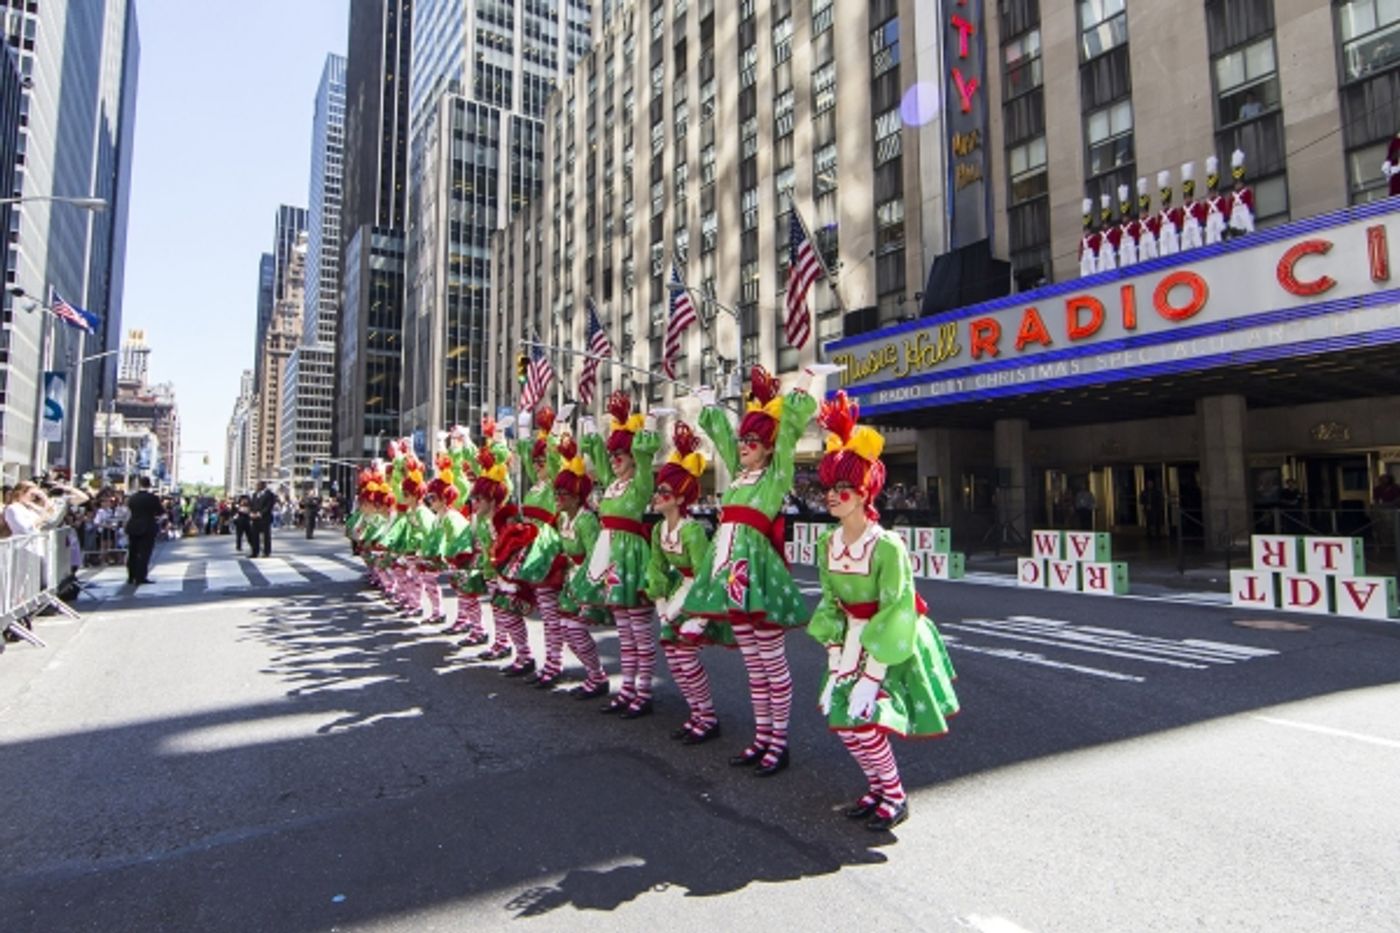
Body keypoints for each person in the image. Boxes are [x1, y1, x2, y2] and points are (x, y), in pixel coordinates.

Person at [808, 391, 959, 832]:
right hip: (851, 639)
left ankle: (893, 795)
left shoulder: (887, 545)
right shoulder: (826, 543)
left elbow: (896, 608)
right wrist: (837, 660)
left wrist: (871, 676)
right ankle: (876, 788)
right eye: (828, 489)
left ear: (863, 493)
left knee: (864, 718)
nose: (832, 497)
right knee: (845, 717)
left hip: (887, 641)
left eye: (843, 490)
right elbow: (831, 604)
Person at [682, 365, 819, 777]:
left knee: (773, 665)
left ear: (768, 447)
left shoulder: (776, 476)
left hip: (759, 578)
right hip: (729, 577)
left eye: (753, 441)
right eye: (743, 440)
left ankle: (780, 743)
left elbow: (791, 432)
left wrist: (805, 384)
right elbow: (723, 439)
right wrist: (709, 405)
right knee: (754, 667)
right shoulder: (740, 477)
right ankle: (761, 738)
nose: (744, 446)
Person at [578, 391, 661, 716]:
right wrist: (588, 426)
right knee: (624, 631)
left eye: (621, 454)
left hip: (631, 557)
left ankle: (644, 691)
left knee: (640, 631)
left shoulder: (641, 482)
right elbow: (596, 454)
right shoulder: (611, 483)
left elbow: (644, 453)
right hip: (611, 557)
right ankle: (627, 688)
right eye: (613, 455)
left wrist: (650, 422)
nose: (615, 459)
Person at [646, 419, 723, 744]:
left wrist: (701, 616)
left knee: (687, 657)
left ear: (679, 499)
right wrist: (662, 603)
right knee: (675, 659)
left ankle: (708, 717)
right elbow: (656, 568)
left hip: (695, 597)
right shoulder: (658, 529)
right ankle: (696, 713)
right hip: (678, 595)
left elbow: (706, 573)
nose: (657, 495)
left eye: (665, 491)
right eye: (658, 489)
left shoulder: (692, 531)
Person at [125, 477, 163, 585]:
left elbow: (131, 510)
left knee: (133, 552)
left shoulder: (132, 498)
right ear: (149, 485)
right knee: (144, 553)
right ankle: (140, 576)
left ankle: (131, 576)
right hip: (147, 526)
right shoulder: (152, 498)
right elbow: (160, 511)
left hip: (133, 526)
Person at [250, 481, 276, 558]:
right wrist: (251, 513)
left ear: (263, 486)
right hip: (255, 518)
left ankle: (266, 552)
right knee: (254, 535)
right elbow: (252, 505)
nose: (256, 487)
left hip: (265, 518)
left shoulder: (269, 494)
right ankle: (255, 552)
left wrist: (260, 513)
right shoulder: (255, 495)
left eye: (258, 485)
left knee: (265, 536)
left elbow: (269, 506)